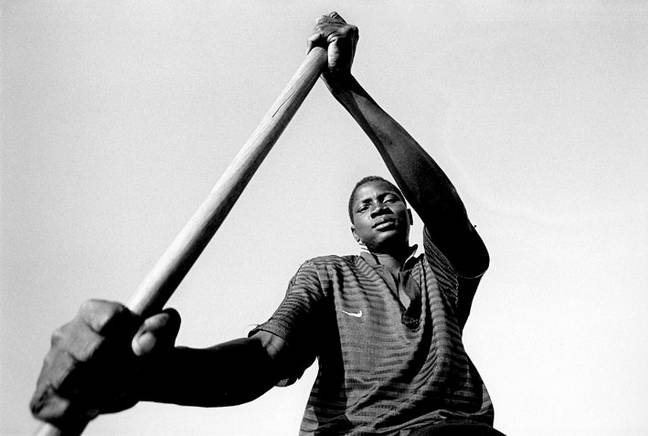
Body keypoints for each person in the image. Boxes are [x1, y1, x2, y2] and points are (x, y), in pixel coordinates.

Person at [30, 13, 504, 436]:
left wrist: (346, 89)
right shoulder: (328, 276)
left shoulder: (439, 273)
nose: (379, 205)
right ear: (354, 232)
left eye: (390, 198)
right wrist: (147, 376)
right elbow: (263, 360)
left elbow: (443, 210)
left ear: (407, 212)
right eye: (364, 206)